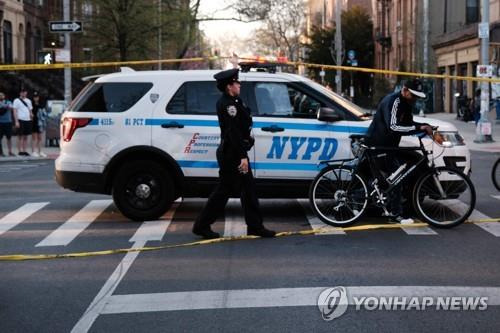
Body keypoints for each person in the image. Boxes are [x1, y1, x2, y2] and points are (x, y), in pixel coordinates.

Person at [192, 68, 276, 239]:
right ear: (229, 86)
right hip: (233, 155)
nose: (239, 84)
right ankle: (202, 225)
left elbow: (243, 127)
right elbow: (233, 133)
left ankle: (254, 226)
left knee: (246, 189)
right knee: (227, 190)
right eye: (236, 82)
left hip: (234, 152)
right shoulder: (228, 105)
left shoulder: (235, 101)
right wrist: (243, 156)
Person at [365, 79, 433, 224]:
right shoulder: (394, 101)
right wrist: (418, 129)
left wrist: (424, 126)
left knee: (392, 177)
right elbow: (393, 127)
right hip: (379, 145)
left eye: (417, 97)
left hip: (389, 146)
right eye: (413, 95)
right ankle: (395, 214)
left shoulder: (407, 104)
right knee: (396, 177)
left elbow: (408, 124)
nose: (415, 99)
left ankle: (391, 210)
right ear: (404, 90)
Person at [13, 88, 33, 156]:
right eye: (22, 92)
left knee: (26, 136)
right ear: (20, 93)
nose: (23, 93)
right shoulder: (16, 100)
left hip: (27, 120)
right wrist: (16, 121)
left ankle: (24, 150)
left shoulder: (29, 101)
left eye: (25, 92)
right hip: (20, 119)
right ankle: (20, 151)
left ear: (26, 93)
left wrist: (31, 115)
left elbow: (30, 110)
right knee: (20, 136)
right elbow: (15, 111)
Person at [31, 91, 48, 157]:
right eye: (35, 97)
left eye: (37, 97)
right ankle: (33, 151)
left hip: (40, 123)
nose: (36, 98)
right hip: (34, 122)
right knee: (34, 137)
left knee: (40, 137)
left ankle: (40, 151)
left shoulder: (41, 104)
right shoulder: (31, 105)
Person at [0, 92, 15, 157]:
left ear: (4, 96)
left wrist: (7, 107)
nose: (1, 96)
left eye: (2, 95)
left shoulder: (8, 102)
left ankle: (10, 151)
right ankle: (1, 152)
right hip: (0, 122)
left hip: (8, 122)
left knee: (9, 138)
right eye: (0, 96)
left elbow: (12, 108)